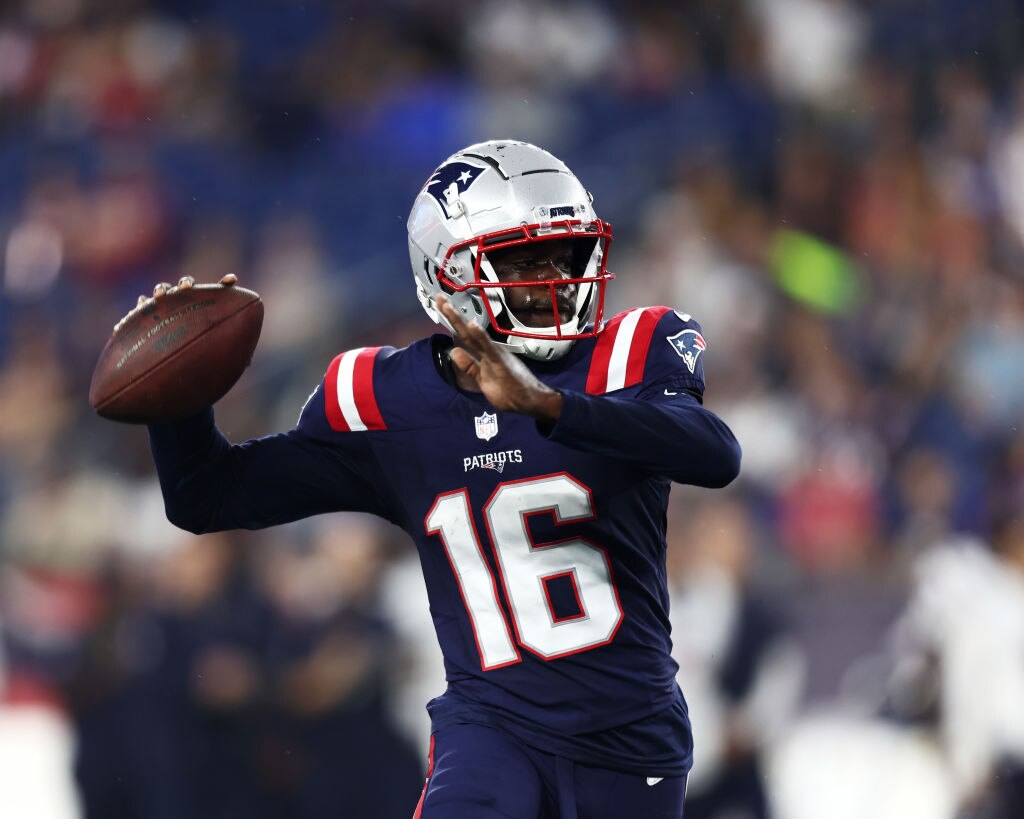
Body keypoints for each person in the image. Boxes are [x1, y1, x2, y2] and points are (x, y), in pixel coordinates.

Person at [136, 140, 741, 818]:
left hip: (631, 740)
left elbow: (714, 454)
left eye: (565, 254)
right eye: (521, 260)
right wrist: (179, 404)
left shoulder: (633, 352)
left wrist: (552, 407)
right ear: (445, 276)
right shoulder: (388, 400)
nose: (554, 279)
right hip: (491, 730)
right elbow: (206, 495)